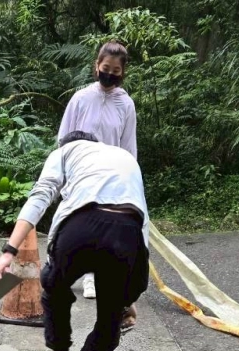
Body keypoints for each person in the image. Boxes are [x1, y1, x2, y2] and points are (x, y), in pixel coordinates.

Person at [0, 132, 149, 351]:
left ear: (67, 143)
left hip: (79, 229)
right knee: (110, 322)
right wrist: (129, 296)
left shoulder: (64, 153)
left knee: (55, 292)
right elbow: (141, 221)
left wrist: (8, 251)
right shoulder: (125, 158)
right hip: (127, 233)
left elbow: (42, 195)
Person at [57, 41, 138, 334]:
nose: (110, 75)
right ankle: (79, 274)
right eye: (106, 69)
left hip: (112, 176)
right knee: (81, 222)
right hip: (82, 172)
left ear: (123, 73)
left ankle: (98, 277)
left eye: (116, 71)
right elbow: (63, 138)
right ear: (96, 66)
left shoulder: (125, 104)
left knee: (106, 227)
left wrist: (131, 180)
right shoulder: (80, 99)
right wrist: (63, 172)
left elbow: (129, 146)